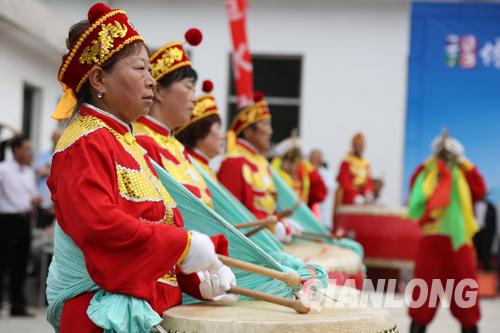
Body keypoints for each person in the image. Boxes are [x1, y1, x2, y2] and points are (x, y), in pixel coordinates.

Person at [47, 3, 235, 332]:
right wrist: (184, 246)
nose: (151, 82)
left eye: (151, 71)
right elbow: (102, 230)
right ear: (98, 79)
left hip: (148, 308)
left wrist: (195, 278)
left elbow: (160, 227)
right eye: (140, 69)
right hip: (101, 317)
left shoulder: (126, 142)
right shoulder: (84, 144)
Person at [407, 132, 486, 333]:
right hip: (431, 241)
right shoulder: (428, 174)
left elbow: (480, 189)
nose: (445, 157)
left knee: (466, 297)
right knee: (422, 299)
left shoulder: (463, 174)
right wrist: (431, 160)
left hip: (458, 242)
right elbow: (414, 186)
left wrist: (463, 161)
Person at [133, 28, 213, 207]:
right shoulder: (143, 142)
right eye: (188, 87)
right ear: (159, 90)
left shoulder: (175, 145)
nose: (194, 98)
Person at [218, 92, 301, 241]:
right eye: (265, 124)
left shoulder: (261, 161)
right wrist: (274, 228)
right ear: (248, 131)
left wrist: (281, 223)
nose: (271, 131)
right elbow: (231, 215)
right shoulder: (234, 162)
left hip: (266, 238)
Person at [0, 135, 41, 316]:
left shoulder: (28, 172)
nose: (28, 153)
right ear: (15, 150)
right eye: (25, 149)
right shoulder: (3, 169)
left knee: (21, 263)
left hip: (25, 220)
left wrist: (35, 201)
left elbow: (32, 194)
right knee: (2, 263)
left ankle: (18, 305)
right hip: (7, 219)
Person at [176, 79, 224, 180]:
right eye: (218, 128)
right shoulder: (186, 164)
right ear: (201, 130)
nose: (223, 136)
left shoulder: (206, 168)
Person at [271, 137, 327, 210]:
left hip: (301, 211)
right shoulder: (275, 172)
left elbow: (320, 192)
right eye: (289, 160)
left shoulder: (305, 171)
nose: (293, 165)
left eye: (296, 160)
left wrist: (310, 170)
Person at [335, 132, 373, 207]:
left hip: (362, 193)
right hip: (350, 194)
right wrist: (356, 190)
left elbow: (368, 181)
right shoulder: (346, 162)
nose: (360, 147)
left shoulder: (366, 164)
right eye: (358, 144)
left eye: (361, 144)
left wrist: (366, 191)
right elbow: (344, 182)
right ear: (353, 146)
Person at [34, 129, 63, 229]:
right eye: (55, 138)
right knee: (40, 230)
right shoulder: (43, 154)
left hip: (58, 202)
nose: (57, 140)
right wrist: (55, 171)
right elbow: (40, 171)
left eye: (59, 138)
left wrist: (48, 169)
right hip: (43, 200)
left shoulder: (64, 154)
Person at [473, 198, 497, 271]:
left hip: (486, 232)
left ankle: (488, 269)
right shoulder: (472, 204)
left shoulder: (491, 206)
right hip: (474, 231)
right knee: (474, 251)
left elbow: (493, 223)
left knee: (486, 251)